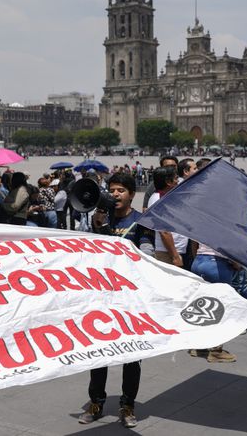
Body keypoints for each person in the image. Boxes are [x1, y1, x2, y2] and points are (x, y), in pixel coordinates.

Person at [78, 172, 148, 429]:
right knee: (99, 353)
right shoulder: (97, 219)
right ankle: (96, 402)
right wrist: (96, 226)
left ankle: (127, 405)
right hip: (102, 296)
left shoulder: (141, 222)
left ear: (131, 193)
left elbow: (145, 256)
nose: (115, 194)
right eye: (112, 190)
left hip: (131, 299)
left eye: (121, 190)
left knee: (132, 356)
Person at [147, 166, 186, 267]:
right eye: (176, 178)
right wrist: (175, 256)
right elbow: (164, 231)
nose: (178, 181)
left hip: (178, 251)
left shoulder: (168, 197)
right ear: (168, 182)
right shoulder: (157, 199)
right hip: (168, 254)